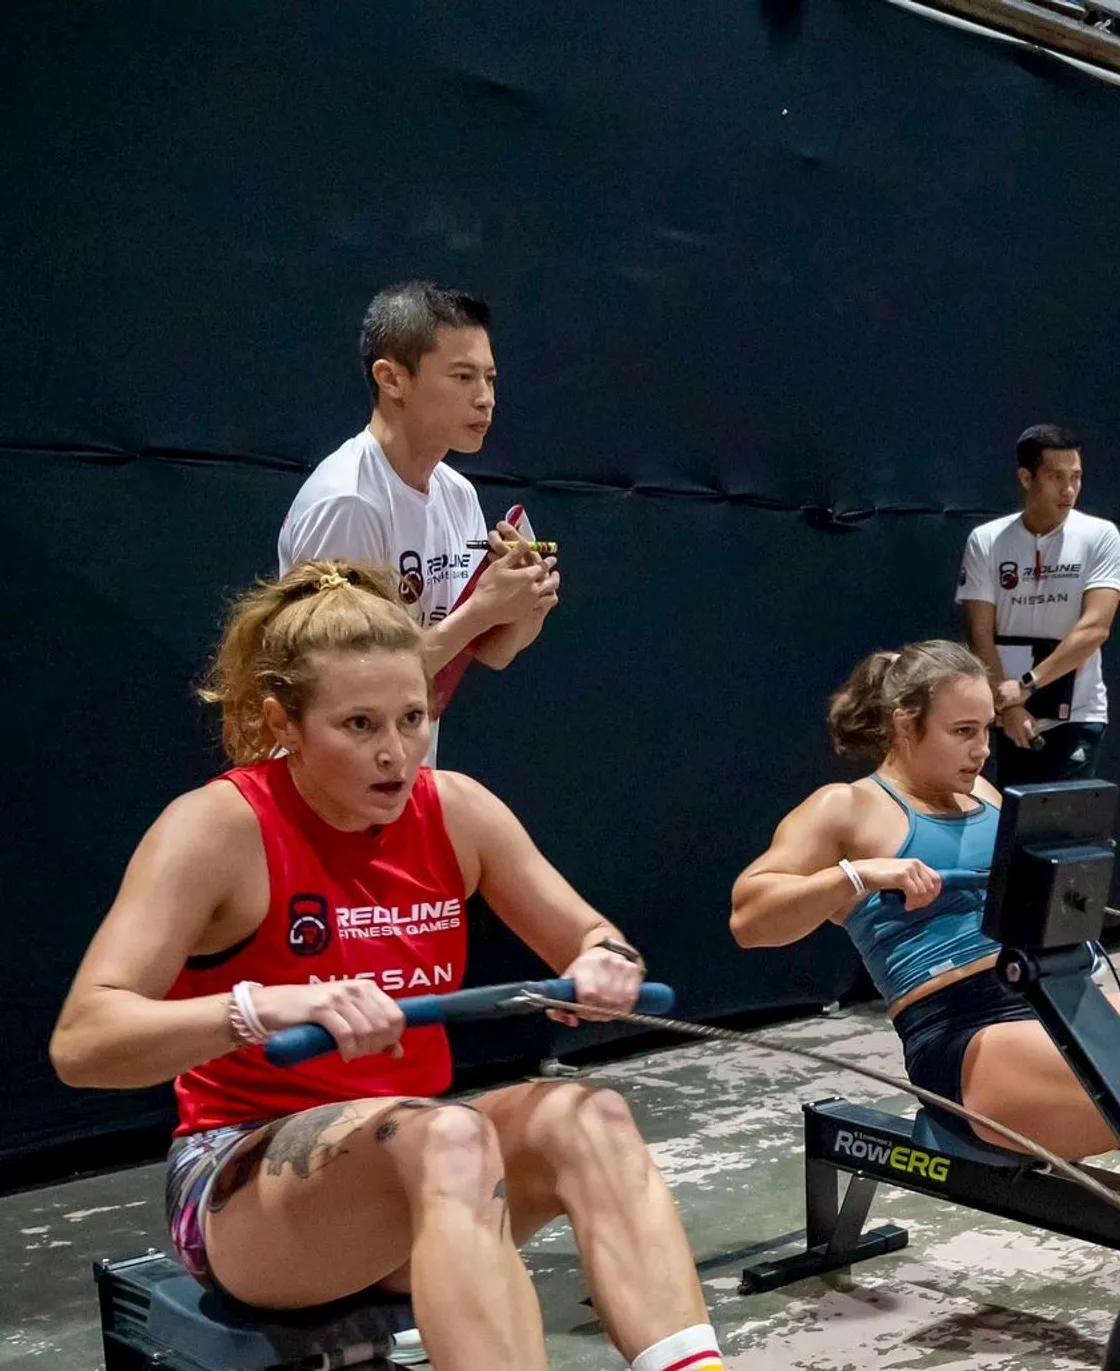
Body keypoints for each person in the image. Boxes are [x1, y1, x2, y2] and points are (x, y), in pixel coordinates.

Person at [48, 563, 719, 1371]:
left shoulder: (457, 809)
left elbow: (594, 934)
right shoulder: (216, 828)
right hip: (243, 1189)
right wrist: (261, 1008)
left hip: (412, 1166)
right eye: (359, 725)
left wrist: (604, 961)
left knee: (590, 1116)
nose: (395, 754)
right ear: (283, 722)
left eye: (412, 718)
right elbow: (84, 1041)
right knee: (451, 1135)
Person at [730, 640, 1120, 1162]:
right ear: (903, 724)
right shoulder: (848, 807)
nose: (982, 749)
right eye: (962, 732)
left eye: (986, 729)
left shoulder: (986, 795)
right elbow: (750, 919)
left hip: (1054, 992)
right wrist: (855, 876)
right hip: (964, 1029)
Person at [278, 281, 559, 763]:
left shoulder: (458, 494)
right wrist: (480, 611)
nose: (485, 398)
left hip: (400, 780)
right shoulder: (350, 501)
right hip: (325, 790)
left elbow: (481, 652)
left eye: (490, 379)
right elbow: (351, 689)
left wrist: (520, 610)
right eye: (463, 377)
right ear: (392, 379)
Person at [958, 423, 1120, 785]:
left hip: (1078, 714)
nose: (1069, 490)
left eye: (1076, 477)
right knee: (1011, 828)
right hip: (1008, 713)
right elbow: (979, 631)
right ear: (1026, 477)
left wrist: (1029, 684)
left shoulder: (1100, 536)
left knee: (1061, 833)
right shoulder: (986, 541)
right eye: (1055, 477)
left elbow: (1095, 628)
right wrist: (1011, 704)